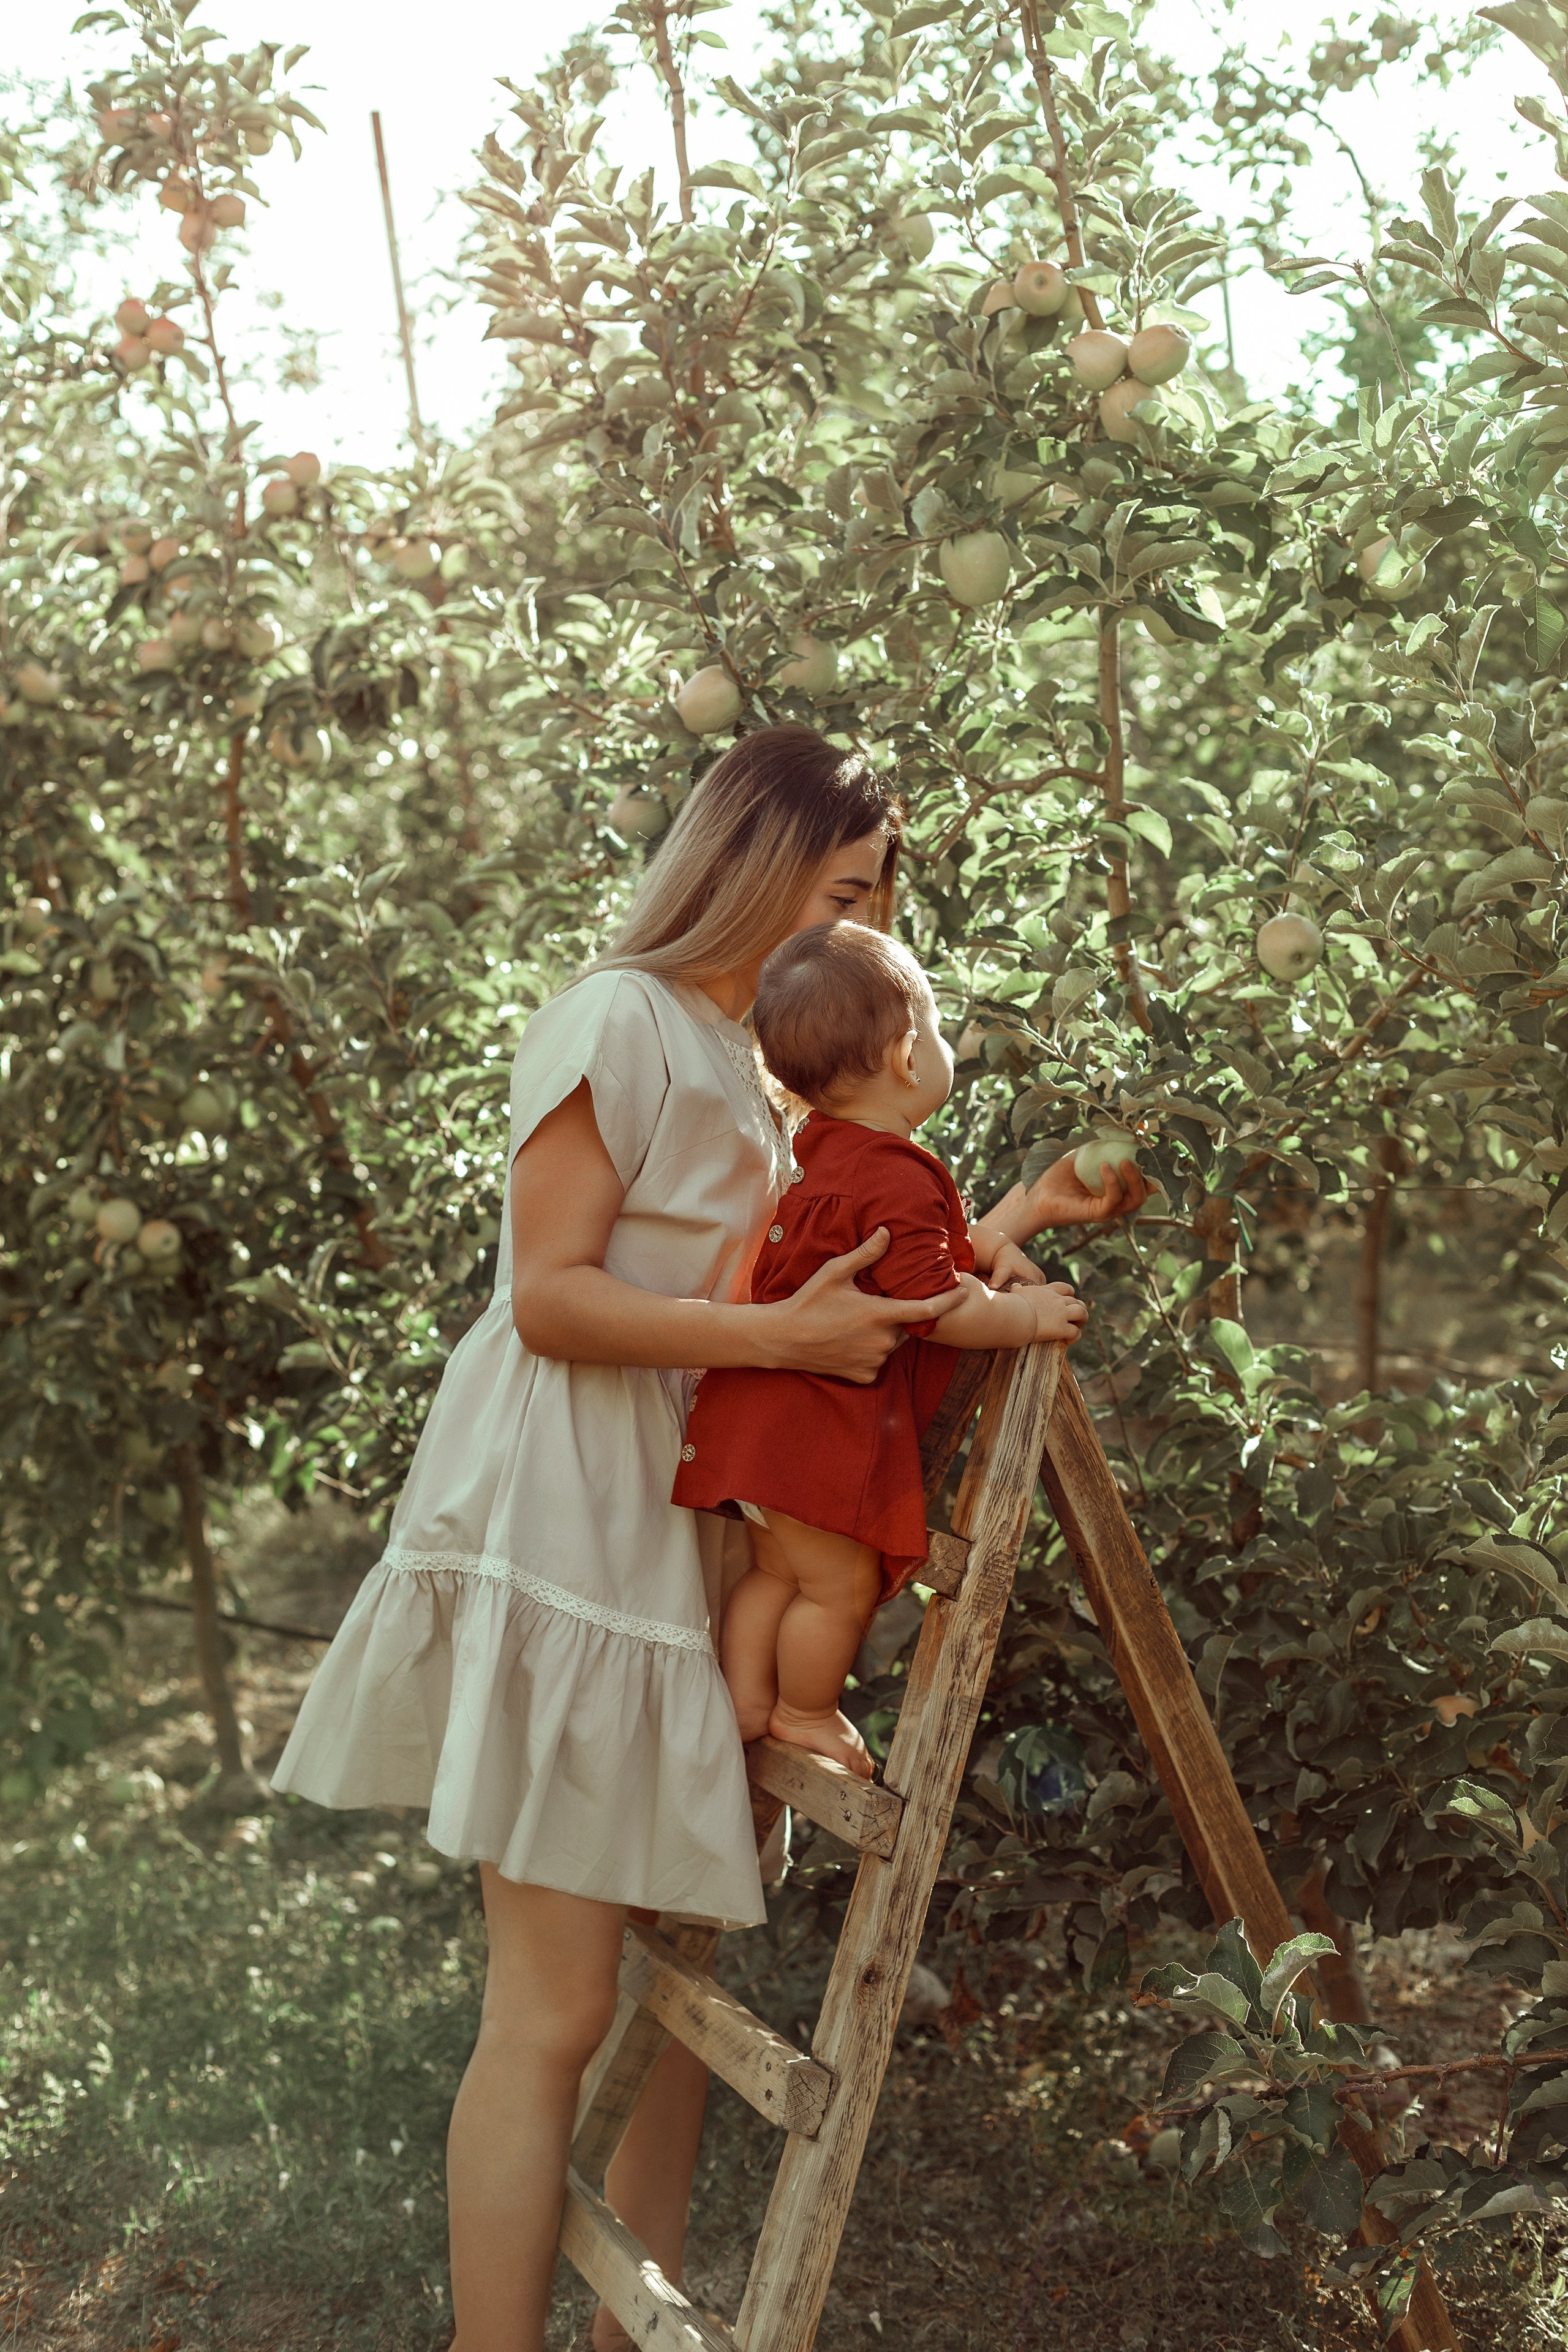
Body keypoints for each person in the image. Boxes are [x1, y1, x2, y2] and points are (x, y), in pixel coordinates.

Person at [270, 724, 1147, 2352]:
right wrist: (782, 1344)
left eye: (878, 898)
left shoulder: (762, 1068)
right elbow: (550, 1299)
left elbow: (833, 1285)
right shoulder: (618, 1018)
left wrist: (1001, 1233)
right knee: (556, 2006)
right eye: (845, 888)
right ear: (751, 863)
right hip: (567, 1507)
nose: (866, 924)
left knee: (671, 1998)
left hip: (689, 1517)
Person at [674, 923, 1090, 1779]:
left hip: (751, 1418)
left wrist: (985, 1240)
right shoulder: (898, 1170)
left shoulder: (814, 1152)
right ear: (907, 1055)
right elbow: (934, 1302)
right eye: (934, 1031)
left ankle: (746, 1699)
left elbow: (899, 1251)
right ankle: (803, 1711)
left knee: (776, 1574)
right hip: (813, 1436)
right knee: (840, 1589)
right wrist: (1027, 1316)